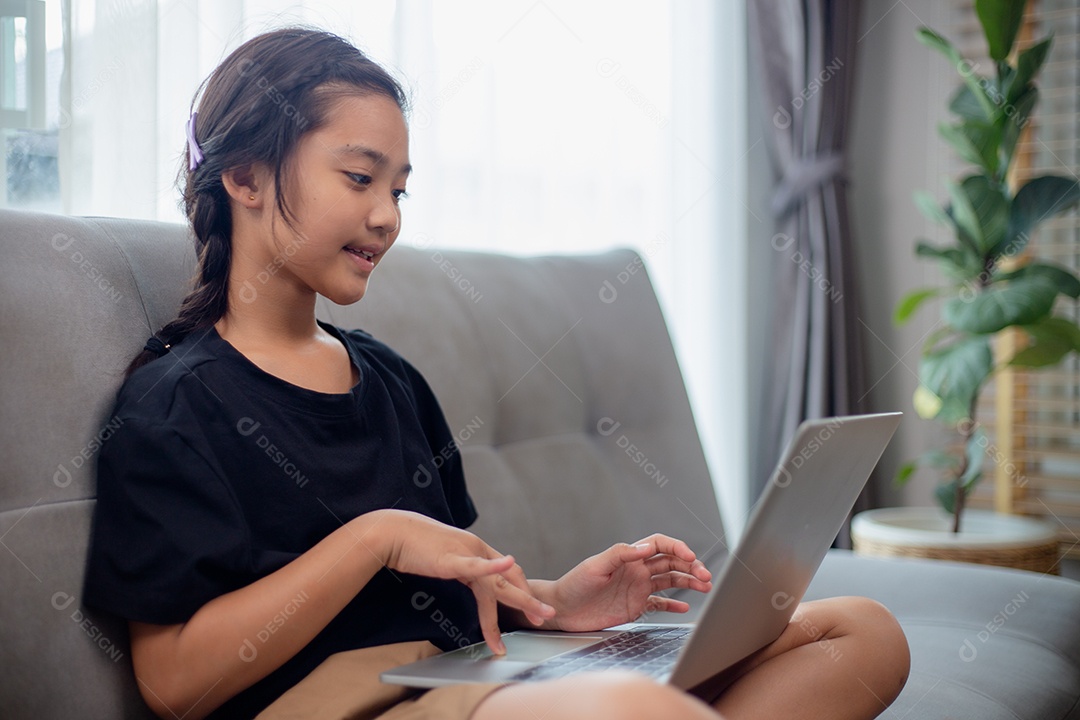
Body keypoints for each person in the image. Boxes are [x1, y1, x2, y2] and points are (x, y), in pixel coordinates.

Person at [83, 27, 910, 720]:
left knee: (864, 631)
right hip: (347, 704)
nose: (387, 217)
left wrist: (560, 602)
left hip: (462, 675)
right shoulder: (175, 404)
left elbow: (450, 593)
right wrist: (374, 539)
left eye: (400, 190)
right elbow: (173, 683)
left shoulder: (388, 379)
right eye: (361, 178)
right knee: (634, 708)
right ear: (245, 177)